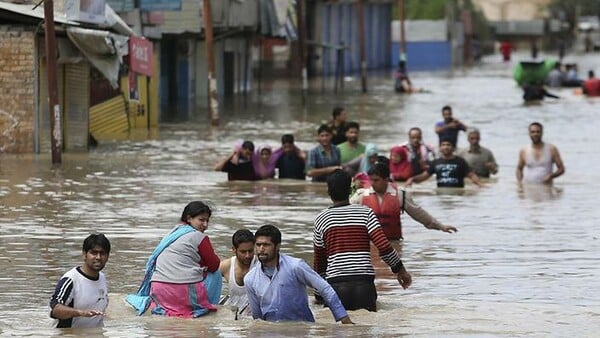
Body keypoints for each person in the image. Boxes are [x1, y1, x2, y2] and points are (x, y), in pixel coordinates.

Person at [313, 169, 412, 312]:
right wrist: (401, 271)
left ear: (328, 192)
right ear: (350, 190)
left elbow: (320, 261)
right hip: (364, 284)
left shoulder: (321, 218)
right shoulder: (366, 213)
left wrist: (319, 293)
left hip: (336, 287)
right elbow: (384, 247)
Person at [125, 201, 221, 317]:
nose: (205, 224)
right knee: (216, 273)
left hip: (158, 291)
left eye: (207, 221)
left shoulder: (172, 233)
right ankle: (207, 304)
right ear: (189, 218)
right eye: (201, 220)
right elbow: (214, 265)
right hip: (181, 293)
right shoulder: (199, 237)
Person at [244, 224, 353, 324]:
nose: (261, 249)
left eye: (266, 245)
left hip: (302, 328)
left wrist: (343, 318)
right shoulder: (250, 279)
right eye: (258, 245)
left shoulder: (296, 266)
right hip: (270, 331)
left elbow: (324, 288)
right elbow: (257, 318)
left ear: (277, 246)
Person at [351, 163, 457, 241]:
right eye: (371, 180)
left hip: (394, 243)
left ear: (386, 180)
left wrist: (441, 226)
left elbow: (419, 214)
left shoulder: (400, 195)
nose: (372, 183)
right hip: (368, 244)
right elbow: (342, 211)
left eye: (376, 180)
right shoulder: (361, 196)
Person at [49, 233, 111, 328]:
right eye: (93, 253)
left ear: (107, 257)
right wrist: (80, 312)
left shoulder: (102, 277)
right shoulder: (71, 279)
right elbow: (56, 310)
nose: (98, 257)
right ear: (84, 254)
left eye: (102, 253)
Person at [406, 138, 482, 188]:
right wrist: (412, 179)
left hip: (458, 194)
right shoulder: (436, 162)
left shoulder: (460, 161)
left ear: (453, 148)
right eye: (443, 145)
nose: (446, 147)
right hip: (441, 194)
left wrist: (480, 185)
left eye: (448, 145)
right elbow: (424, 176)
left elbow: (471, 175)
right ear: (440, 148)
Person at [219, 229, 258, 317]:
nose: (248, 256)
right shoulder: (225, 266)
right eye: (243, 252)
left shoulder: (260, 265)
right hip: (233, 314)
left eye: (251, 251)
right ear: (234, 250)